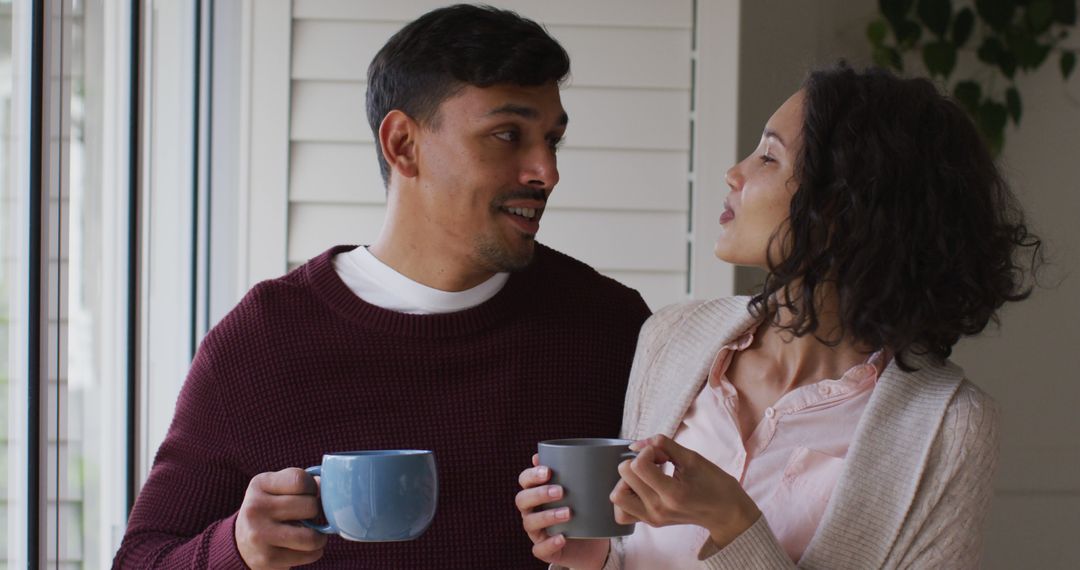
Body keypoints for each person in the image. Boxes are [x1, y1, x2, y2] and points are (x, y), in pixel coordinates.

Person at [114, 5, 651, 569]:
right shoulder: (265, 340)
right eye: (507, 135)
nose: (546, 171)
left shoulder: (612, 327)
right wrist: (238, 548)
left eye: (552, 140)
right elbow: (141, 560)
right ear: (402, 144)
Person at [517, 63, 1043, 569]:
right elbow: (634, 555)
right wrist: (594, 560)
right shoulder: (671, 339)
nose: (735, 172)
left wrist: (734, 524)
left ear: (846, 206)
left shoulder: (950, 424)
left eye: (768, 157)